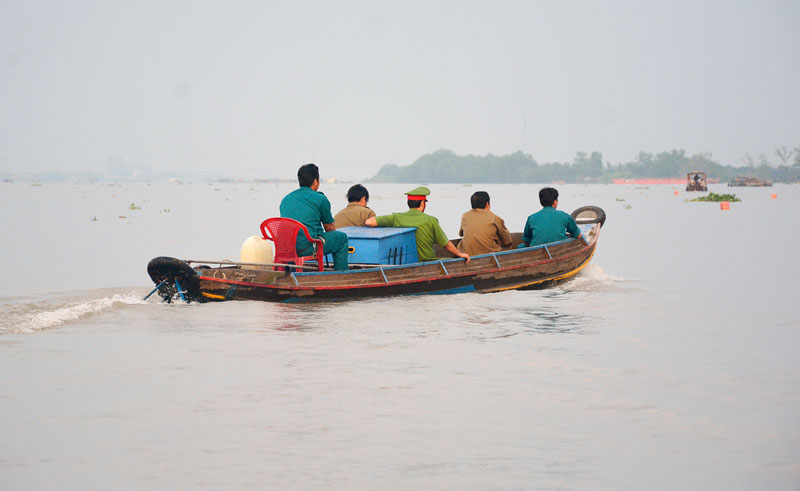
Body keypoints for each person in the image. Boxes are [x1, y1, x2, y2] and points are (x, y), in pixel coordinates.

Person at [365, 187, 470, 263]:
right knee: (452, 259)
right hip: (427, 261)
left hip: (406, 262)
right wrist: (460, 254)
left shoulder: (396, 217)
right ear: (423, 203)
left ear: (408, 203)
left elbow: (369, 222)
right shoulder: (431, 220)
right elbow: (445, 244)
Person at [279, 163, 349, 270]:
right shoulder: (320, 199)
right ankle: (342, 275)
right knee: (341, 238)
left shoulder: (285, 199)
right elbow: (329, 228)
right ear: (316, 181)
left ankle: (292, 272)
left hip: (285, 248)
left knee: (300, 240)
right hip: (308, 247)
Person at [458, 191, 512, 255]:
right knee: (509, 247)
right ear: (487, 204)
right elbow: (508, 241)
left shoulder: (465, 216)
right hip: (489, 254)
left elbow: (461, 234)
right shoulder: (494, 218)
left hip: (467, 254)